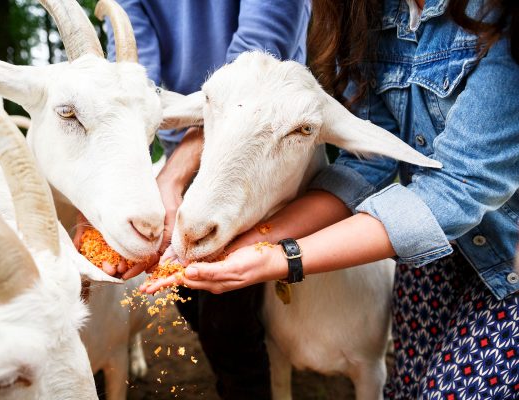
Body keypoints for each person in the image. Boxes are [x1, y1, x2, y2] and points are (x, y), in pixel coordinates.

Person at [144, 0, 519, 398]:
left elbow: (461, 185)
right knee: (406, 389)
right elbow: (365, 167)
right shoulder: (370, 14)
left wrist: (284, 257)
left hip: (508, 260)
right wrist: (261, 240)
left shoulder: (502, 17)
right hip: (430, 260)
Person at [103, 1, 311, 399]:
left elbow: (260, 52)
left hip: (261, 151)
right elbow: (135, 82)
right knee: (192, 300)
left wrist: (175, 172)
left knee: (225, 322)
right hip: (179, 139)